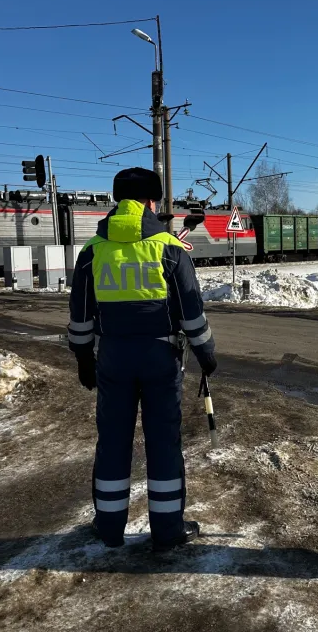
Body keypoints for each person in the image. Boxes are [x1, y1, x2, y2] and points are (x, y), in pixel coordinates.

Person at [67, 167, 218, 551]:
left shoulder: (91, 251)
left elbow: (80, 315)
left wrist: (84, 358)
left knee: (113, 441)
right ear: (152, 202)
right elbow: (191, 311)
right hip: (160, 356)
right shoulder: (169, 247)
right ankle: (167, 532)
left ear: (117, 200)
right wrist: (206, 353)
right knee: (163, 443)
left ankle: (109, 528)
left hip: (112, 357)